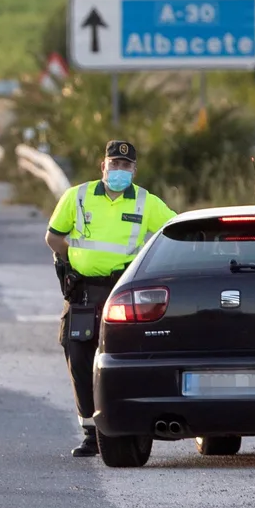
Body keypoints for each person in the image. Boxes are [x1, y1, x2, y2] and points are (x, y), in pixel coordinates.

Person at [44, 140, 177, 457]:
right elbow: (53, 237)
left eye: (125, 166)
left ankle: (128, 427)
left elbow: (173, 232)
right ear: (102, 166)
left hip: (123, 292)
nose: (119, 170)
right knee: (78, 357)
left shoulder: (146, 202)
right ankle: (90, 432)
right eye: (113, 164)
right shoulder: (77, 196)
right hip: (84, 292)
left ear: (134, 170)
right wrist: (72, 265)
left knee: (125, 360)